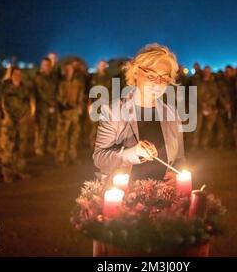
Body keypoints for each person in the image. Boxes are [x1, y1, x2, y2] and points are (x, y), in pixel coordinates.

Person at [93, 43, 186, 184]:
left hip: (164, 199)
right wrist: (133, 153)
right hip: (125, 199)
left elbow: (179, 159)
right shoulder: (113, 112)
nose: (158, 83)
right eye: (151, 75)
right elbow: (100, 159)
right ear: (136, 72)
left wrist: (176, 175)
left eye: (164, 77)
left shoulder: (172, 114)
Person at [0, 67, 35, 183]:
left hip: (22, 121)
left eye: (20, 74)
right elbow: (3, 104)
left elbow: (27, 103)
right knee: (8, 148)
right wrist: (10, 118)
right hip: (9, 122)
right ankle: (8, 173)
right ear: (11, 75)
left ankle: (20, 171)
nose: (17, 76)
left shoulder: (24, 88)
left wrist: (25, 116)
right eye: (15, 74)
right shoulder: (5, 87)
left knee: (21, 146)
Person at [55, 61, 85, 167]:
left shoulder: (77, 82)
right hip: (64, 113)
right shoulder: (61, 83)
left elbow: (81, 95)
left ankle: (73, 156)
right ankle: (61, 158)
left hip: (75, 113)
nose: (69, 71)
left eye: (70, 69)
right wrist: (68, 104)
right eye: (67, 69)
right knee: (62, 137)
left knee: (74, 136)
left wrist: (79, 106)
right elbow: (59, 97)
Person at [34, 57, 58, 156]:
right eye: (45, 65)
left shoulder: (53, 77)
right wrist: (49, 101)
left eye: (48, 65)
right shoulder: (38, 77)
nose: (46, 67)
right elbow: (40, 92)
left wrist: (54, 101)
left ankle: (49, 146)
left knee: (51, 127)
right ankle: (39, 147)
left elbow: (57, 89)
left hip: (53, 106)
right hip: (42, 107)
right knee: (42, 128)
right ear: (42, 66)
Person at [88, 60, 112, 149]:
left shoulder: (109, 77)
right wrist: (89, 103)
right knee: (94, 126)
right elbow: (89, 90)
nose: (102, 66)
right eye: (100, 65)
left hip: (105, 104)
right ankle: (93, 144)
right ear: (98, 66)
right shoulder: (93, 77)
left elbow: (111, 91)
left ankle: (103, 144)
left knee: (104, 125)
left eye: (103, 65)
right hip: (95, 104)